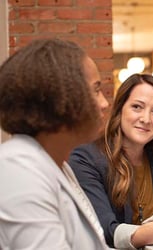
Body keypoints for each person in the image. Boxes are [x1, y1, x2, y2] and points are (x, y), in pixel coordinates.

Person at [68, 74, 153, 249]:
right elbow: (103, 230)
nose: (146, 119)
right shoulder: (86, 159)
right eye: (137, 107)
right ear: (119, 109)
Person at [0, 38, 109, 249]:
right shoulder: (17, 168)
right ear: (60, 99)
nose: (104, 103)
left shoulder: (58, 164)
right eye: (95, 90)